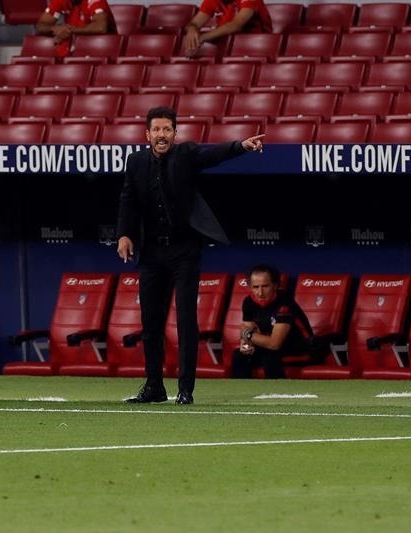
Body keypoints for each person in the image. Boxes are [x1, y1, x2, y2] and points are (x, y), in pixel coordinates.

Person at [117, 106, 264, 405]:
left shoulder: (185, 155)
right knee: (151, 322)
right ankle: (154, 387)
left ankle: (186, 390)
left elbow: (212, 155)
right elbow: (128, 199)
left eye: (167, 130)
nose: (161, 135)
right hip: (151, 252)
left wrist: (241, 146)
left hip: (184, 250)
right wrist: (124, 233)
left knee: (186, 321)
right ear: (147, 134)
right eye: (156, 130)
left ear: (174, 133)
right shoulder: (135, 162)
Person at [231, 265, 314, 379]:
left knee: (269, 355)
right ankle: (242, 393)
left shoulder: (285, 303)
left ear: (275, 285)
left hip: (299, 346)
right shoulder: (248, 302)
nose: (260, 292)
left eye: (265, 286)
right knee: (239, 355)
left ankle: (277, 394)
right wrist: (245, 344)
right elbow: (247, 327)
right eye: (255, 287)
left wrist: (247, 334)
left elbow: (274, 343)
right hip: (269, 344)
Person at [182, 0, 272, 58]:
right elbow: (194, 23)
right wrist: (192, 30)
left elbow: (236, 25)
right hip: (228, 45)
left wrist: (202, 38)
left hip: (257, 46)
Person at [35, 0, 115, 58]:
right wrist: (54, 29)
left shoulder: (95, 1)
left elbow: (100, 27)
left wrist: (68, 30)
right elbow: (40, 26)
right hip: (75, 50)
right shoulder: (60, 1)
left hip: (102, 50)